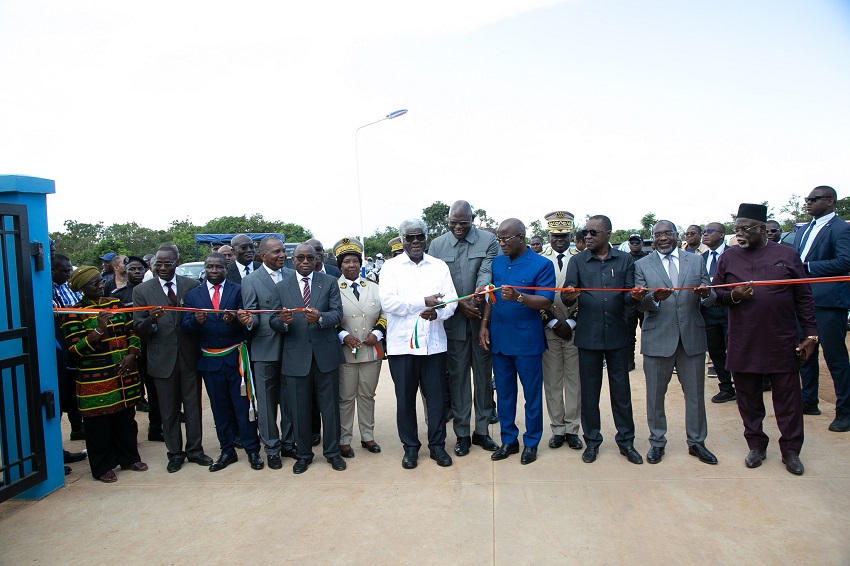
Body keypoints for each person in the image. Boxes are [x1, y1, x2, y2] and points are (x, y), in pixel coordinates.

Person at [713, 203, 817, 475]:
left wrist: (811, 335)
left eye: (745, 228)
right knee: (748, 398)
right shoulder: (728, 257)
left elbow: (803, 297)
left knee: (788, 399)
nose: (740, 234)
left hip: (781, 340)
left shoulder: (787, 254)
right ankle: (756, 445)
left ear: (762, 228)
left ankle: (791, 451)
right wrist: (735, 295)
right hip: (743, 340)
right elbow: (716, 295)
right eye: (736, 229)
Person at [631, 221, 718, 465]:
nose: (663, 238)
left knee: (695, 396)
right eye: (658, 235)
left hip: (692, 337)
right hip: (658, 337)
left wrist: (705, 294)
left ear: (676, 236)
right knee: (655, 396)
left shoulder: (696, 261)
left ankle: (697, 442)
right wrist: (653, 299)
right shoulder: (641, 265)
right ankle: (657, 442)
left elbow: (711, 296)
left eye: (668, 233)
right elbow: (639, 303)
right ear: (653, 238)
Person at [379, 219, 458, 470]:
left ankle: (437, 446)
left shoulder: (438, 266)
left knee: (436, 399)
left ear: (426, 238)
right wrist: (422, 302)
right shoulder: (390, 268)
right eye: (410, 238)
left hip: (433, 345)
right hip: (402, 347)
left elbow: (452, 301)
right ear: (402, 240)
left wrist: (438, 313)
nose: (415, 242)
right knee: (405, 399)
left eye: (419, 237)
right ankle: (410, 448)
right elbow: (389, 304)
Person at [563, 215, 641, 464]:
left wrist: (636, 296)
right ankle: (592, 441)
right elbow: (567, 297)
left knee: (621, 393)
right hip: (588, 336)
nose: (587, 236)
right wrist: (570, 296)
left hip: (618, 336)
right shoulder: (577, 261)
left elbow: (629, 298)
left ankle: (626, 442)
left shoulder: (625, 259)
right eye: (585, 232)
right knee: (589, 393)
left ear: (608, 233)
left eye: (593, 232)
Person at [60, 266, 147, 482]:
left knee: (126, 419)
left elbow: (132, 331)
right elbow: (75, 349)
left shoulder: (114, 304)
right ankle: (102, 466)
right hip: (96, 378)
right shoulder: (74, 312)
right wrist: (99, 330)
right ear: (82, 288)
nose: (100, 286)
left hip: (123, 373)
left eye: (100, 282)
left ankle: (129, 457)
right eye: (94, 284)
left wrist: (132, 353)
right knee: (98, 425)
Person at [479, 218, 554, 465]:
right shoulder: (498, 262)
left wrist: (520, 296)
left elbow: (546, 301)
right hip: (500, 340)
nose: (501, 244)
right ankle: (509, 440)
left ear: (521, 237)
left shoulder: (541, 264)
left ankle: (531, 442)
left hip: (527, 342)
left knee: (531, 395)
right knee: (505, 395)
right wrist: (484, 325)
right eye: (498, 239)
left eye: (505, 239)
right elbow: (492, 297)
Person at [428, 201, 500, 457]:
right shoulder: (437, 245)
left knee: (483, 378)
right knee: (457, 380)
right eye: (453, 222)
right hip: (453, 323)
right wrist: (459, 304)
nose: (458, 227)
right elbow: (437, 281)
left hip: (482, 318)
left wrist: (480, 292)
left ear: (473, 219)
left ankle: (481, 431)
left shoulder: (489, 240)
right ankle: (461, 435)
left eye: (463, 222)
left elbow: (487, 270)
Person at [133, 245, 212, 473]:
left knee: (193, 407)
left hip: (189, 356)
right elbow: (139, 329)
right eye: (158, 263)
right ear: (153, 264)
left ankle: (195, 449)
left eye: (168, 263)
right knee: (168, 410)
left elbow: (199, 322)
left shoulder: (191, 286)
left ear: (177, 262)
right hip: (162, 359)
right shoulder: (142, 291)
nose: (163, 268)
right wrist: (151, 320)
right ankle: (175, 453)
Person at [181, 254, 263, 472]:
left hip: (235, 358)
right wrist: (196, 322)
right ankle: (227, 450)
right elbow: (186, 326)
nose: (214, 270)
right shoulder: (193, 295)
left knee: (243, 406)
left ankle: (252, 450)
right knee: (220, 409)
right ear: (205, 269)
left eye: (218, 267)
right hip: (210, 361)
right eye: (210, 267)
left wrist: (234, 320)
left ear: (226, 268)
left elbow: (248, 321)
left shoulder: (238, 290)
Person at [269, 243, 346, 474]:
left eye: (309, 258)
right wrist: (283, 321)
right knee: (298, 410)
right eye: (300, 258)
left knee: (330, 409)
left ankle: (332, 453)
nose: (305, 261)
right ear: (293, 261)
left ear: (316, 260)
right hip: (296, 357)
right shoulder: (282, 287)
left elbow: (337, 314)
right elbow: (273, 320)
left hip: (326, 356)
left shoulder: (329, 282)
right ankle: (303, 455)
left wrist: (321, 318)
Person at [795, 186, 850, 431]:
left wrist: (807, 268)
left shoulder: (842, 229)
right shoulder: (804, 230)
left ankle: (845, 411)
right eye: (806, 199)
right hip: (802, 302)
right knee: (805, 353)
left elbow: (845, 261)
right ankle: (808, 401)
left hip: (828, 302)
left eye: (813, 199)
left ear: (829, 201)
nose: (807, 203)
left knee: (835, 358)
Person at [240, 236, 297, 468]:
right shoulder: (251, 281)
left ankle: (289, 443)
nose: (282, 255)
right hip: (264, 351)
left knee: (291, 400)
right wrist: (247, 321)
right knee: (266, 404)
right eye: (276, 252)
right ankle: (271, 448)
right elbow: (252, 313)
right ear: (262, 255)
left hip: (293, 348)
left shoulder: (293, 276)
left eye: (283, 251)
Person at [333, 238, 386, 457]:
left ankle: (367, 437)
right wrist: (343, 335)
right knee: (345, 397)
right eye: (346, 262)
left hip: (370, 350)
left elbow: (385, 313)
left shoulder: (374, 288)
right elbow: (331, 317)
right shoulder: (332, 288)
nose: (352, 265)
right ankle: (345, 440)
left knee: (367, 395)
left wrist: (378, 332)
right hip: (345, 352)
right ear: (340, 266)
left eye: (355, 261)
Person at [538, 211, 583, 451]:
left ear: (570, 234)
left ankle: (572, 428)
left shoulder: (581, 257)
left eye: (564, 235)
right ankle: (557, 429)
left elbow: (587, 295)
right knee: (553, 381)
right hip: (549, 328)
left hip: (575, 328)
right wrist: (553, 323)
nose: (559, 240)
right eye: (555, 235)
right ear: (549, 234)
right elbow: (535, 295)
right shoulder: (540, 258)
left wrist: (572, 322)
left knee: (574, 380)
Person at [113, 255, 163, 434]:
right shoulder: (118, 296)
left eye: (139, 269)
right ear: (125, 272)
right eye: (132, 269)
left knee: (154, 389)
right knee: (131, 391)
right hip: (128, 351)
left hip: (150, 347)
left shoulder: (152, 292)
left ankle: (156, 428)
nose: (136, 272)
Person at [50, 252, 88, 473]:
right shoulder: (46, 290)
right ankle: (54, 453)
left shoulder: (66, 288)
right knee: (58, 400)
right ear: (51, 269)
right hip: (57, 348)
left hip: (72, 348)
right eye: (63, 271)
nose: (67, 274)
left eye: (68, 270)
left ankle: (76, 429)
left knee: (70, 394)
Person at [701, 222, 737, 403]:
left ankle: (743, 387)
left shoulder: (735, 255)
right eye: (703, 232)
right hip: (709, 310)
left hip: (731, 308)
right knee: (715, 350)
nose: (704, 235)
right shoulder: (702, 258)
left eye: (708, 231)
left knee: (735, 349)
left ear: (722, 235)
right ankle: (726, 387)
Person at [625, 233, 649, 371]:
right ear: (629, 243)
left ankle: (649, 361)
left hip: (644, 298)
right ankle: (629, 362)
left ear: (642, 243)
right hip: (629, 300)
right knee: (629, 333)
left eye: (637, 242)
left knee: (648, 332)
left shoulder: (648, 258)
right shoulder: (625, 258)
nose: (634, 244)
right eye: (632, 242)